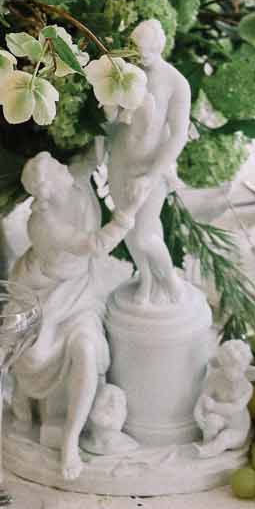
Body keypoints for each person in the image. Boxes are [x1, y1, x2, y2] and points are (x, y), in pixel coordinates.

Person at [9, 152, 134, 480]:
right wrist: (128, 214)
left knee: (87, 351)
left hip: (83, 291)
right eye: (57, 167)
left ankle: (70, 440)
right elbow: (93, 244)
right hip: (50, 292)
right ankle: (25, 404)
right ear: (48, 187)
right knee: (35, 354)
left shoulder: (72, 180)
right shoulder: (44, 224)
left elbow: (93, 155)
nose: (64, 166)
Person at [103, 18, 190, 308]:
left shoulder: (177, 83)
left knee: (144, 235)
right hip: (120, 163)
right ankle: (147, 280)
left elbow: (177, 137)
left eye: (142, 50)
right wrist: (109, 106)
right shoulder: (124, 72)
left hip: (150, 170)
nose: (136, 56)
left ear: (158, 47)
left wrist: (151, 177)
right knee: (128, 229)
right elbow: (112, 123)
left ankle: (171, 281)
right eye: (132, 48)